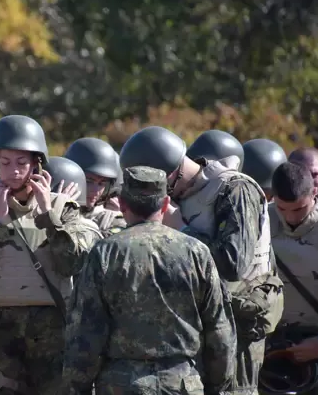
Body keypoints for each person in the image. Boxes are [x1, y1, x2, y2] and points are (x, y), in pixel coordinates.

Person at [120, 126, 284, 395]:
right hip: (192, 328)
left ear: (171, 173)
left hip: (237, 330)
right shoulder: (181, 197)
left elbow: (234, 264)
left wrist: (181, 230)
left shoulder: (235, 189)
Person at [61, 166, 236, 394]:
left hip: (122, 386)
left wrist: (78, 387)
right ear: (165, 205)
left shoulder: (105, 253)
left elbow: (86, 333)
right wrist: (217, 386)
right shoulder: (197, 252)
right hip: (183, 384)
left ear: (122, 205)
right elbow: (220, 330)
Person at [0, 115, 96, 394]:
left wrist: (48, 216)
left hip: (55, 332)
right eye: (5, 163)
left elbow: (76, 263)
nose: (13, 171)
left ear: (36, 164)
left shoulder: (64, 209)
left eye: (21, 163)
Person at [263, 161, 318, 395]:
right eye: (282, 209)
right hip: (271, 350)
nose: (290, 218)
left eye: (299, 209)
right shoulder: (260, 222)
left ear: (314, 192)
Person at [64, 138, 127, 236]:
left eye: (102, 183)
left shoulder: (109, 221)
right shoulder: (49, 208)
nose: (96, 191)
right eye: (89, 181)